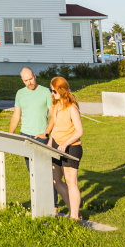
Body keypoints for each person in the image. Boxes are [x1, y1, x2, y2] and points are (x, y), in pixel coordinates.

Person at [44, 75, 84, 220]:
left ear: (62, 90)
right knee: (56, 180)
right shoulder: (56, 107)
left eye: (54, 91)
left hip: (71, 148)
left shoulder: (71, 107)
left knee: (70, 181)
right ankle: (73, 211)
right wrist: (50, 144)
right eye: (51, 91)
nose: (52, 94)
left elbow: (80, 131)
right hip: (56, 147)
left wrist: (65, 143)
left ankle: (74, 217)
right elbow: (55, 127)